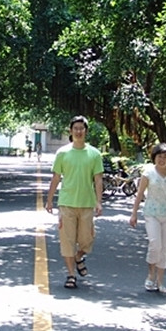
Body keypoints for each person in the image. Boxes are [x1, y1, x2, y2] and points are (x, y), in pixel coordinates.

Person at [45, 115, 104, 289]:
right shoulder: (62, 153)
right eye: (75, 128)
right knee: (67, 240)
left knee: (87, 239)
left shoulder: (94, 154)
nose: (78, 131)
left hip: (87, 203)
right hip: (67, 203)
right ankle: (71, 275)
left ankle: (79, 257)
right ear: (70, 131)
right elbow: (56, 178)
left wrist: (99, 202)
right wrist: (49, 200)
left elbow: (98, 179)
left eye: (81, 128)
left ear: (86, 131)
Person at [129, 143, 166, 293]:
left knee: (165, 247)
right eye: (159, 156)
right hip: (151, 213)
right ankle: (150, 274)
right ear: (154, 157)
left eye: (165, 156)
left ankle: (160, 280)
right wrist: (134, 214)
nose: (162, 159)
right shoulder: (148, 173)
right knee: (155, 244)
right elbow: (140, 194)